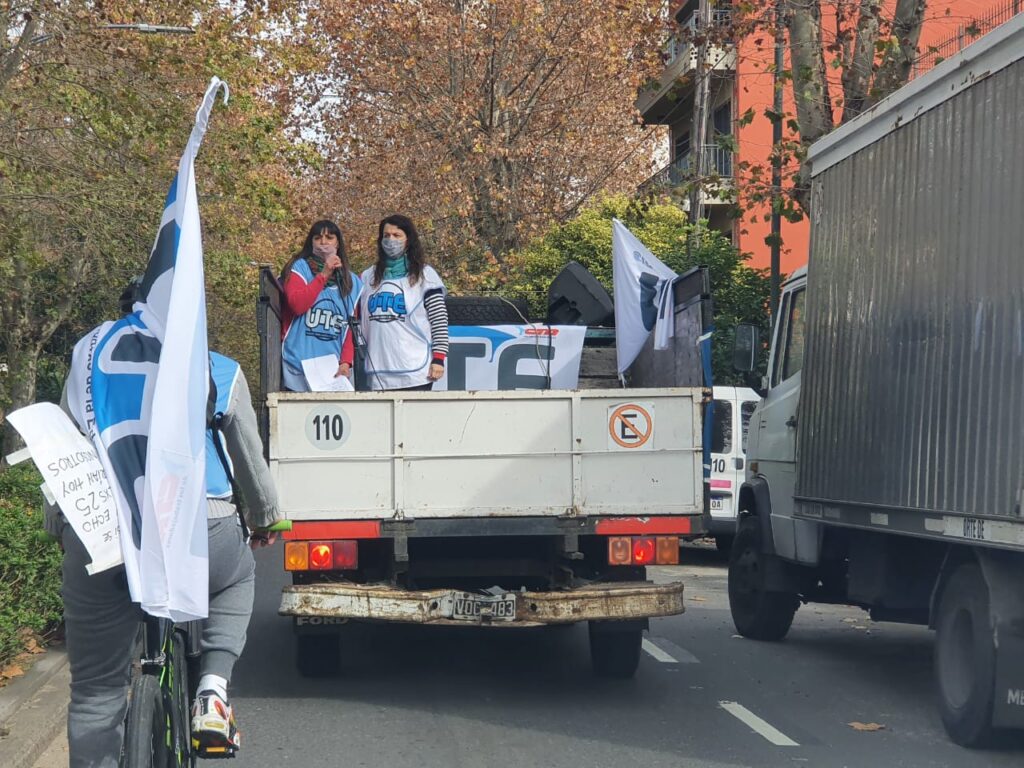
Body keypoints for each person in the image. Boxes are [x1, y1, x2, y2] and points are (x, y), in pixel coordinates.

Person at [51, 286, 281, 766]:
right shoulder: (216, 366)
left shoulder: (89, 363)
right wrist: (263, 518)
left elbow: (64, 452)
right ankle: (212, 692)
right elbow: (251, 466)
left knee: (95, 692)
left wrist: (61, 527)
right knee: (237, 579)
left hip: (103, 536)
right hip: (202, 526)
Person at [339, 214, 449, 390]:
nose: (391, 240)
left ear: (408, 240)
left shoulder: (425, 275)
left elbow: (439, 321)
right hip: (378, 372)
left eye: (397, 235)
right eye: (386, 235)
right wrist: (346, 361)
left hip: (415, 373)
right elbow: (353, 324)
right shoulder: (367, 277)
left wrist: (439, 358)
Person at [280, 219, 363, 390]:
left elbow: (350, 329)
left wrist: (346, 362)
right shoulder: (299, 268)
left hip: (332, 371)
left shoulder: (352, 282)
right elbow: (297, 305)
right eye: (318, 238)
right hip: (298, 367)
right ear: (311, 242)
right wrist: (324, 274)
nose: (323, 242)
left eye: (329, 238)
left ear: (337, 243)